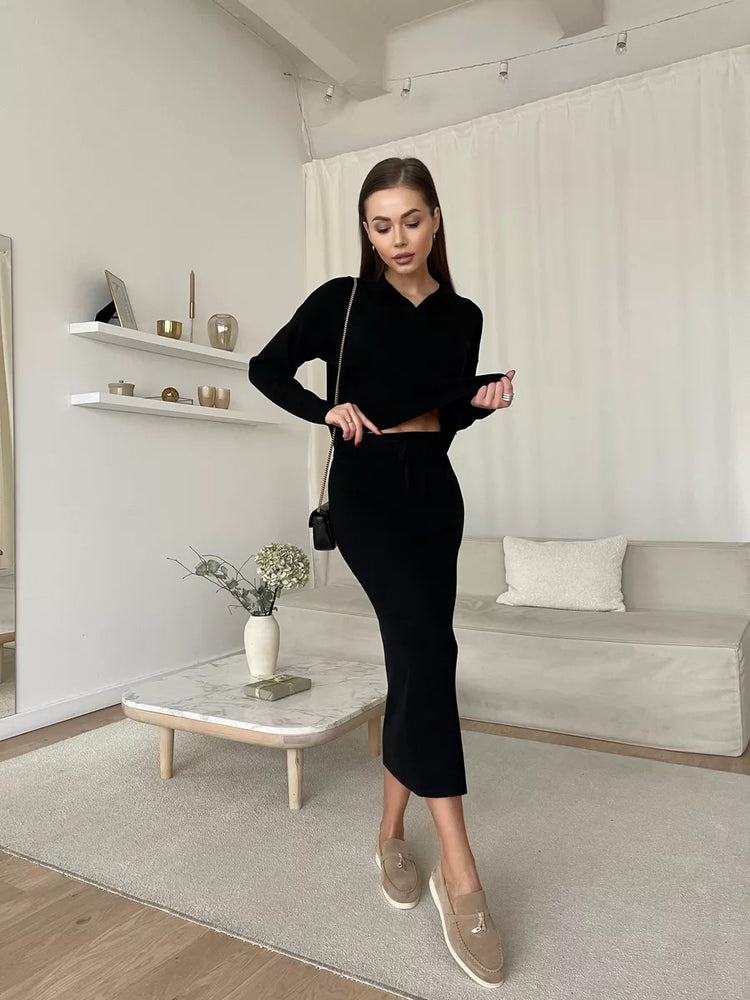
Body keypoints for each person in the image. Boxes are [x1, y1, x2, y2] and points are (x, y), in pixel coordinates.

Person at [248, 156, 516, 988]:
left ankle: (390, 834)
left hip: (434, 493)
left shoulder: (463, 315)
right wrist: (323, 408)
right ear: (365, 230)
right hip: (365, 493)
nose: (397, 238)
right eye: (380, 224)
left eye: (411, 220)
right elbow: (265, 368)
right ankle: (460, 873)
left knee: (417, 662)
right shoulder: (341, 300)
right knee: (431, 655)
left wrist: (477, 403)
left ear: (435, 220)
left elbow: (440, 417)